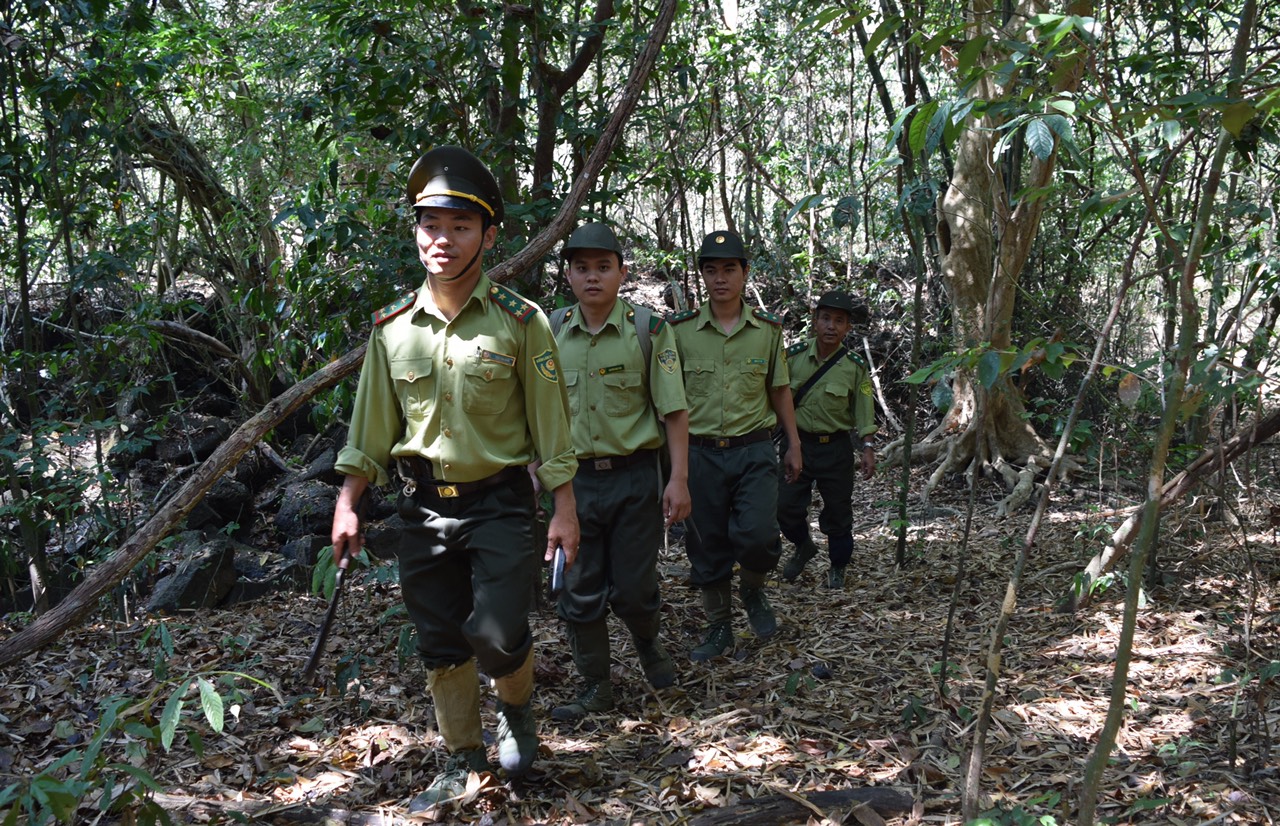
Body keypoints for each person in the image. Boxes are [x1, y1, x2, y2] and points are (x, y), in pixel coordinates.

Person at [329, 146, 579, 811]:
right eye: (431, 225)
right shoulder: (391, 331)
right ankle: (463, 758)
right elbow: (370, 429)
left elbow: (551, 426)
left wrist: (564, 507)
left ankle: (517, 709)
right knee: (441, 641)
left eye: (460, 227)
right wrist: (349, 502)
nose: (443, 240)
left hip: (498, 501)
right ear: (416, 232)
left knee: (496, 634)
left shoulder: (523, 323)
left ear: (488, 236)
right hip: (421, 509)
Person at [546, 222, 691, 720]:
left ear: (621, 273)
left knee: (633, 587)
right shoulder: (550, 332)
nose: (592, 277)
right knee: (579, 589)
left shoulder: (650, 330)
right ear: (568, 275)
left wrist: (678, 479)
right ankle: (595, 686)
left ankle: (648, 644)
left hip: (634, 479)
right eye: (582, 268)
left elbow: (674, 409)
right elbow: (534, 410)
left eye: (603, 267)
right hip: (574, 483)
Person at [668, 229, 801, 661]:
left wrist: (794, 444)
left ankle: (753, 590)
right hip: (700, 452)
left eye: (729, 269)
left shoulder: (767, 331)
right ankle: (718, 626)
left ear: (745, 273)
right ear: (701, 277)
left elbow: (780, 389)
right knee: (706, 544)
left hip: (755, 450)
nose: (720, 278)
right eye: (711, 270)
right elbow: (671, 402)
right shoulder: (681, 332)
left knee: (759, 535)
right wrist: (675, 470)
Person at [777, 290, 878, 589]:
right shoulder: (792, 358)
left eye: (839, 321)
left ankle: (838, 566)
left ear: (848, 327)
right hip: (797, 444)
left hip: (835, 448)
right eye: (825, 319)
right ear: (815, 322)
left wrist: (868, 447)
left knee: (838, 510)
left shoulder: (855, 366)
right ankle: (803, 545)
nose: (831, 326)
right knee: (785, 507)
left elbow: (864, 409)